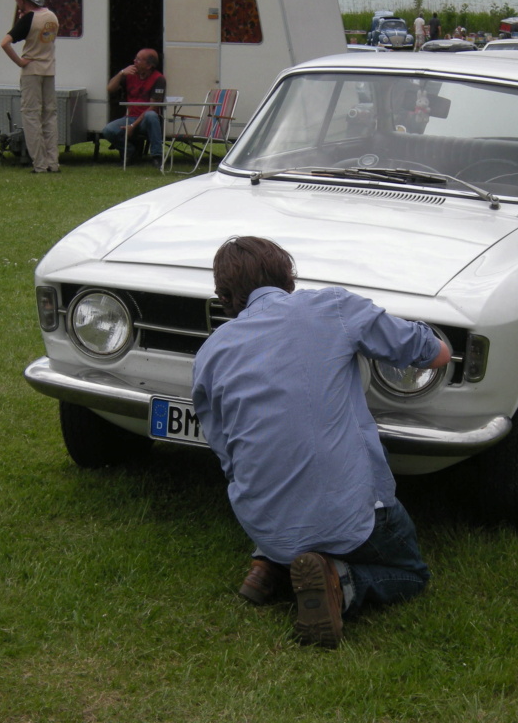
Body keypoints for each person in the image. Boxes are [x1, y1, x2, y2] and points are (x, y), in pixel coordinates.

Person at [191, 236, 450, 648]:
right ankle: (342, 584)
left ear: (224, 296)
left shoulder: (210, 353)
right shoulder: (332, 307)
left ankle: (270, 562)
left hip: (265, 522)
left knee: (278, 463)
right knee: (412, 575)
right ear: (288, 277)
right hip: (353, 519)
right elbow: (433, 355)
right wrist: (437, 341)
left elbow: (227, 453)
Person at [1, 0, 60, 174]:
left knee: (31, 116)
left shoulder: (28, 19)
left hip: (31, 70)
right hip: (49, 69)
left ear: (23, 0)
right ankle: (53, 161)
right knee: (49, 115)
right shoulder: (52, 16)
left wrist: (19, 61)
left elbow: (5, 42)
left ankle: (40, 164)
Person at [102, 48, 166, 168]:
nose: (134, 61)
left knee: (151, 116)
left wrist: (133, 126)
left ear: (148, 66)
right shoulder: (129, 74)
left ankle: (157, 156)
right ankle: (130, 150)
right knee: (108, 130)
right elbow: (110, 89)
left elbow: (153, 108)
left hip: (145, 121)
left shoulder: (158, 79)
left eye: (138, 60)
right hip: (130, 117)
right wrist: (121, 73)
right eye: (135, 58)